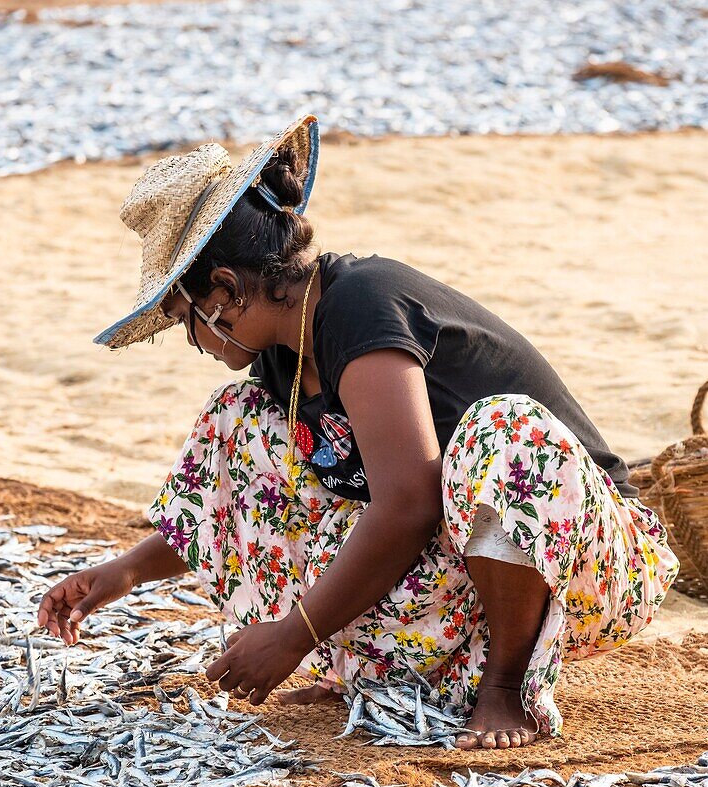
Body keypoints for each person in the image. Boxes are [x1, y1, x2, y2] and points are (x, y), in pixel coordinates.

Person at [37, 114, 680, 751]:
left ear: (226, 291)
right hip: (466, 557)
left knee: (500, 433)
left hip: (585, 554)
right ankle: (379, 671)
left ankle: (506, 683)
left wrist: (296, 634)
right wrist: (122, 574)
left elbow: (409, 502)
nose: (193, 341)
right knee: (235, 426)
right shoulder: (283, 358)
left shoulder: (361, 304)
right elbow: (233, 493)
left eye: (187, 319)